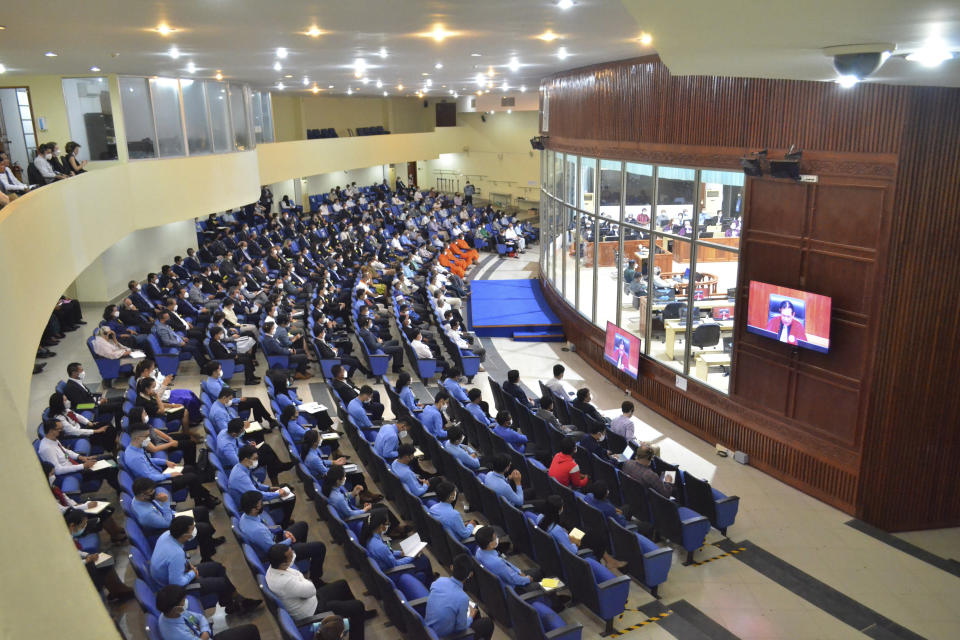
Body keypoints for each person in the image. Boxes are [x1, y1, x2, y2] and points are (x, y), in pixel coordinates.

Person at [150, 515, 262, 614]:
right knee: (222, 583)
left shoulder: (167, 535)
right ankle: (238, 603)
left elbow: (178, 561)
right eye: (192, 529)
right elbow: (177, 583)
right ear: (184, 535)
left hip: (181, 570)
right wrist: (193, 573)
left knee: (218, 567)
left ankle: (232, 603)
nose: (195, 530)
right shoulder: (175, 554)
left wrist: (190, 566)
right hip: (172, 589)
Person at [266, 544, 373, 640]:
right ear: (283, 564)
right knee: (358, 606)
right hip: (312, 611)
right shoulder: (285, 582)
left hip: (310, 599)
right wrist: (303, 579)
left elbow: (303, 581)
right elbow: (311, 589)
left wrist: (301, 579)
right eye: (290, 555)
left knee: (342, 584)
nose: (293, 554)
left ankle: (358, 616)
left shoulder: (272, 568)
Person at [238, 491, 327, 582]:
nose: (263, 504)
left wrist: (284, 532)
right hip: (278, 553)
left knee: (303, 525)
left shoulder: (245, 516)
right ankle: (316, 579)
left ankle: (302, 555)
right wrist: (289, 540)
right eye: (260, 503)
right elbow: (274, 549)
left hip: (273, 539)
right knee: (320, 547)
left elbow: (266, 528)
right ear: (254, 509)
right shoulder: (257, 531)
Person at [130, 477, 224, 561]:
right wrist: (166, 502)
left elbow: (161, 511)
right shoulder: (146, 514)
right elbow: (168, 523)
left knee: (202, 511)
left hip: (169, 518)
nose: (154, 493)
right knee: (203, 528)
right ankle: (206, 558)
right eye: (151, 492)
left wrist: (177, 514)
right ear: (142, 495)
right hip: (166, 530)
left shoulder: (139, 499)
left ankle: (210, 543)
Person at [124, 427, 219, 507]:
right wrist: (169, 475)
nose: (149, 439)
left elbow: (148, 460)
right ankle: (205, 498)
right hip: (158, 482)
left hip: (159, 473)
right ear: (137, 438)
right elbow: (150, 477)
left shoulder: (135, 448)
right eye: (146, 437)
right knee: (192, 477)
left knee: (190, 468)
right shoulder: (134, 458)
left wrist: (165, 461)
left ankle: (201, 500)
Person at [534, 495, 625, 571]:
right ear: (558, 510)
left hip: (564, 539)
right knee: (598, 540)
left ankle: (609, 560)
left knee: (588, 531)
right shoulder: (556, 530)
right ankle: (602, 563)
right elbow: (572, 551)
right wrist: (575, 543)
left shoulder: (540, 517)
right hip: (569, 549)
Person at [42, 462, 127, 543]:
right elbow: (65, 510)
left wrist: (75, 504)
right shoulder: (46, 494)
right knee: (101, 511)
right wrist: (85, 506)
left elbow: (65, 497)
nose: (54, 476)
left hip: (74, 507)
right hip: (69, 516)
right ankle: (115, 535)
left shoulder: (53, 486)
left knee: (103, 504)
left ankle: (116, 529)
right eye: (52, 474)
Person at [64, 509, 134, 602]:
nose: (84, 527)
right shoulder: (63, 539)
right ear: (72, 526)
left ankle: (117, 590)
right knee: (100, 566)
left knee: (104, 560)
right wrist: (87, 560)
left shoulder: (69, 535)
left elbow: (76, 551)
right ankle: (118, 591)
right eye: (82, 525)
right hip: (76, 569)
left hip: (82, 561)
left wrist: (88, 555)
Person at [424, 554, 493, 640]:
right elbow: (461, 628)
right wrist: (471, 617)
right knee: (487, 623)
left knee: (475, 611)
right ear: (470, 574)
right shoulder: (463, 598)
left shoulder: (438, 581)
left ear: (452, 567)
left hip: (429, 631)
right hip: (446, 637)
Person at [155, 584, 261, 640]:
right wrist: (204, 635)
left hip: (204, 636)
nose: (185, 603)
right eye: (183, 601)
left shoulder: (174, 612)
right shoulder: (177, 635)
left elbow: (199, 618)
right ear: (175, 608)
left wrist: (205, 631)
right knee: (251, 631)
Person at [38, 420, 119, 491]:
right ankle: (121, 491)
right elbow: (58, 470)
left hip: (76, 464)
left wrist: (81, 457)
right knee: (109, 468)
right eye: (59, 429)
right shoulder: (47, 449)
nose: (62, 430)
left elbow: (65, 452)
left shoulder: (53, 439)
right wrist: (83, 466)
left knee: (109, 457)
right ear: (51, 431)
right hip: (73, 472)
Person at [359, 510, 433, 586]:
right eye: (387, 524)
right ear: (381, 526)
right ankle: (430, 583)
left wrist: (401, 553)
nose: (388, 526)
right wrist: (412, 556)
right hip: (393, 573)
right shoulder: (380, 547)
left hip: (385, 565)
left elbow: (388, 553)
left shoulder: (370, 538)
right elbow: (396, 565)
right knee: (424, 559)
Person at [227, 444, 295, 526]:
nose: (257, 461)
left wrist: (269, 488)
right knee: (291, 498)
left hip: (252, 496)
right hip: (251, 505)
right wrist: (277, 494)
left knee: (285, 486)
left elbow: (255, 484)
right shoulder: (240, 477)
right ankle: (285, 523)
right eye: (255, 459)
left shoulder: (242, 467)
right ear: (246, 459)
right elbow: (258, 496)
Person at [217, 417, 294, 484]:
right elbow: (238, 464)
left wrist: (248, 445)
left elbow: (236, 443)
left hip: (240, 454)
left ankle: (277, 468)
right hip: (236, 465)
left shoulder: (225, 431)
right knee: (269, 457)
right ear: (234, 434)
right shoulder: (227, 447)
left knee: (265, 447)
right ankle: (276, 477)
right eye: (242, 431)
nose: (244, 432)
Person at [203, 364, 278, 429]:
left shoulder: (216, 378)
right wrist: (238, 399)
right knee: (255, 401)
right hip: (230, 405)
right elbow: (224, 399)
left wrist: (236, 394)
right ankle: (268, 421)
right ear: (214, 372)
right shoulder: (214, 386)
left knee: (254, 400)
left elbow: (226, 387)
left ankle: (262, 422)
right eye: (219, 369)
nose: (221, 370)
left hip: (230, 398)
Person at [48, 391, 117, 454]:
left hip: (83, 427)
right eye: (65, 401)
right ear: (60, 404)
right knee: (107, 431)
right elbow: (74, 431)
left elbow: (77, 416)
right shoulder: (59, 418)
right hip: (80, 435)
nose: (68, 402)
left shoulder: (65, 410)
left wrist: (88, 422)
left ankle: (115, 446)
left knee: (108, 425)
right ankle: (113, 450)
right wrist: (95, 431)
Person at [428, 481, 477, 546]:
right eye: (454, 492)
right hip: (455, 542)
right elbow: (465, 535)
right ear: (451, 497)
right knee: (475, 522)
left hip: (443, 538)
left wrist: (461, 525)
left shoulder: (432, 509)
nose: (456, 493)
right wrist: (471, 525)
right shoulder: (455, 515)